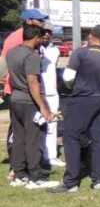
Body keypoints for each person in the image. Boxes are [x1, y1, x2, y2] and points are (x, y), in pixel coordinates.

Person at [49, 25, 100, 193]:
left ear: (91, 37)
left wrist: (77, 87)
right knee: (99, 139)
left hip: (83, 98)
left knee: (71, 137)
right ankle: (98, 180)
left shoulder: (81, 53)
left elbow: (68, 77)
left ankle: (71, 182)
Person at [7, 25, 58, 189]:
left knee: (19, 137)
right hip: (29, 102)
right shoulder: (32, 56)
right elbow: (32, 81)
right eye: (41, 38)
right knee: (33, 139)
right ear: (36, 38)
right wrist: (43, 107)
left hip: (15, 100)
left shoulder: (12, 52)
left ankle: (19, 174)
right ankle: (35, 177)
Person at [3, 8, 49, 177]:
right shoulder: (17, 40)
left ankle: (20, 170)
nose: (43, 23)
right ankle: (24, 171)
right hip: (24, 94)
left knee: (21, 134)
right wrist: (43, 106)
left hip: (18, 94)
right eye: (40, 20)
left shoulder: (25, 46)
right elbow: (31, 80)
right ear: (29, 21)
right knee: (27, 136)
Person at [39, 25, 64, 168]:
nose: (47, 34)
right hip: (37, 93)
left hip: (52, 93)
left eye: (49, 32)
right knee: (36, 125)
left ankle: (51, 155)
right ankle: (37, 155)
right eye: (45, 32)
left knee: (53, 124)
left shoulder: (55, 50)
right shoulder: (34, 49)